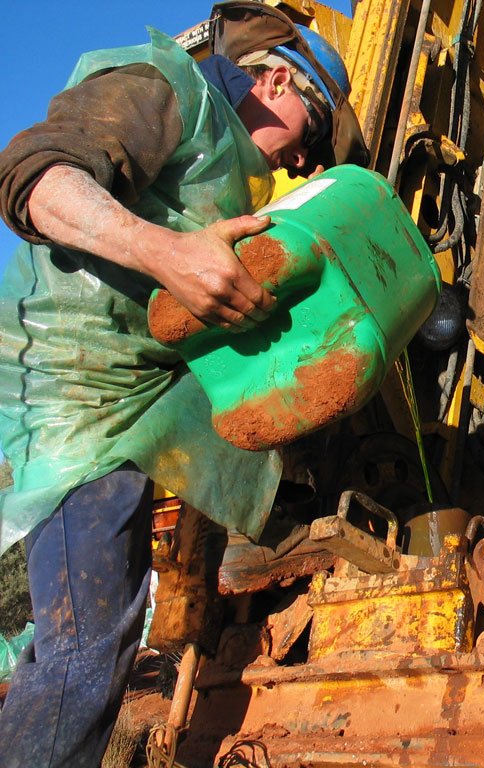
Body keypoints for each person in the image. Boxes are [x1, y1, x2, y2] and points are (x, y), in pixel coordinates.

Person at [0, 3, 366, 765]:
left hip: (130, 410)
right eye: (313, 133)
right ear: (276, 80)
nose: (303, 162)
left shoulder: (233, 183)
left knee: (95, 640)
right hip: (77, 408)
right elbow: (35, 180)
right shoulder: (163, 85)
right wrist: (164, 253)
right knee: (83, 653)